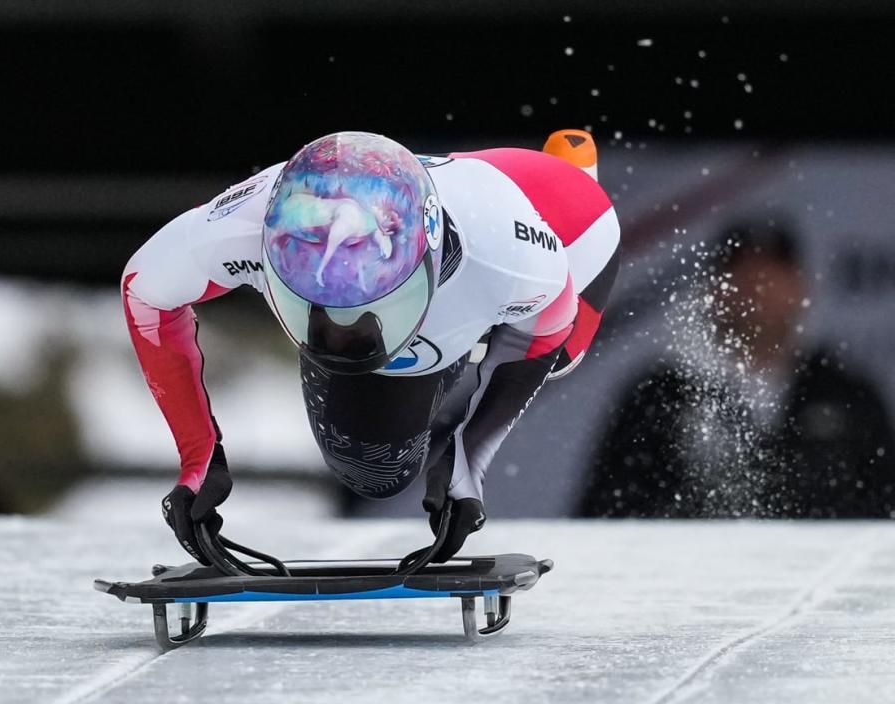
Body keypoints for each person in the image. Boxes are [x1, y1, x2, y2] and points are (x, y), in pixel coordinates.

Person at [122, 130, 620, 562]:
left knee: (561, 356)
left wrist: (471, 460)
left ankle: (568, 165)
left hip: (568, 223)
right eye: (316, 306)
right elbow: (144, 292)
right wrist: (198, 456)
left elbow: (547, 329)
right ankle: (438, 335)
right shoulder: (245, 226)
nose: (340, 333)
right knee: (373, 472)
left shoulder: (515, 264)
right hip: (463, 222)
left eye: (369, 307)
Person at [583, 220, 895, 518]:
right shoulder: (659, 396)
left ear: (802, 288)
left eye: (772, 275)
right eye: (742, 273)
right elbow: (608, 513)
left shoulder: (847, 395)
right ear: (713, 289)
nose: (756, 289)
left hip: (822, 570)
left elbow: (883, 512)